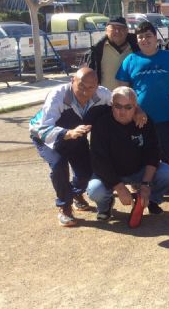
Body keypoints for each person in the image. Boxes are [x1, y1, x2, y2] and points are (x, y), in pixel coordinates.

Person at [29, 67, 112, 226]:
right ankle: (64, 207)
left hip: (76, 132)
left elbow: (121, 99)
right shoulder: (57, 95)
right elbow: (44, 127)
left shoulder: (102, 93)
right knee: (59, 165)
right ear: (72, 81)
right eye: (81, 85)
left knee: (86, 172)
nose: (86, 91)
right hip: (46, 135)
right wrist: (67, 133)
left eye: (91, 87)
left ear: (97, 85)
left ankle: (74, 194)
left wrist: (138, 111)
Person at [86, 86, 169, 221]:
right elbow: (99, 161)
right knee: (95, 190)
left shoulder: (145, 121)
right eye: (118, 106)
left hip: (138, 171)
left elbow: (153, 154)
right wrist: (119, 188)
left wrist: (145, 185)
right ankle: (105, 205)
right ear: (111, 106)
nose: (122, 111)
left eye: (128, 107)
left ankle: (152, 200)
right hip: (111, 172)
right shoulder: (101, 124)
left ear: (136, 107)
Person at [116, 22, 169, 178]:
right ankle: (143, 184)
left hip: (167, 115)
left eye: (148, 36)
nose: (145, 40)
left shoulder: (168, 57)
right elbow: (123, 90)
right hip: (139, 118)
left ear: (156, 38)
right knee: (141, 152)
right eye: (141, 37)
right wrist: (135, 109)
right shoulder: (130, 60)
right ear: (137, 40)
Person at [86, 16, 139, 90]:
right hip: (105, 98)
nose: (117, 31)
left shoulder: (137, 48)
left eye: (121, 28)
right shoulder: (97, 50)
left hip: (131, 99)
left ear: (127, 30)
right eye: (113, 28)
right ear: (106, 30)